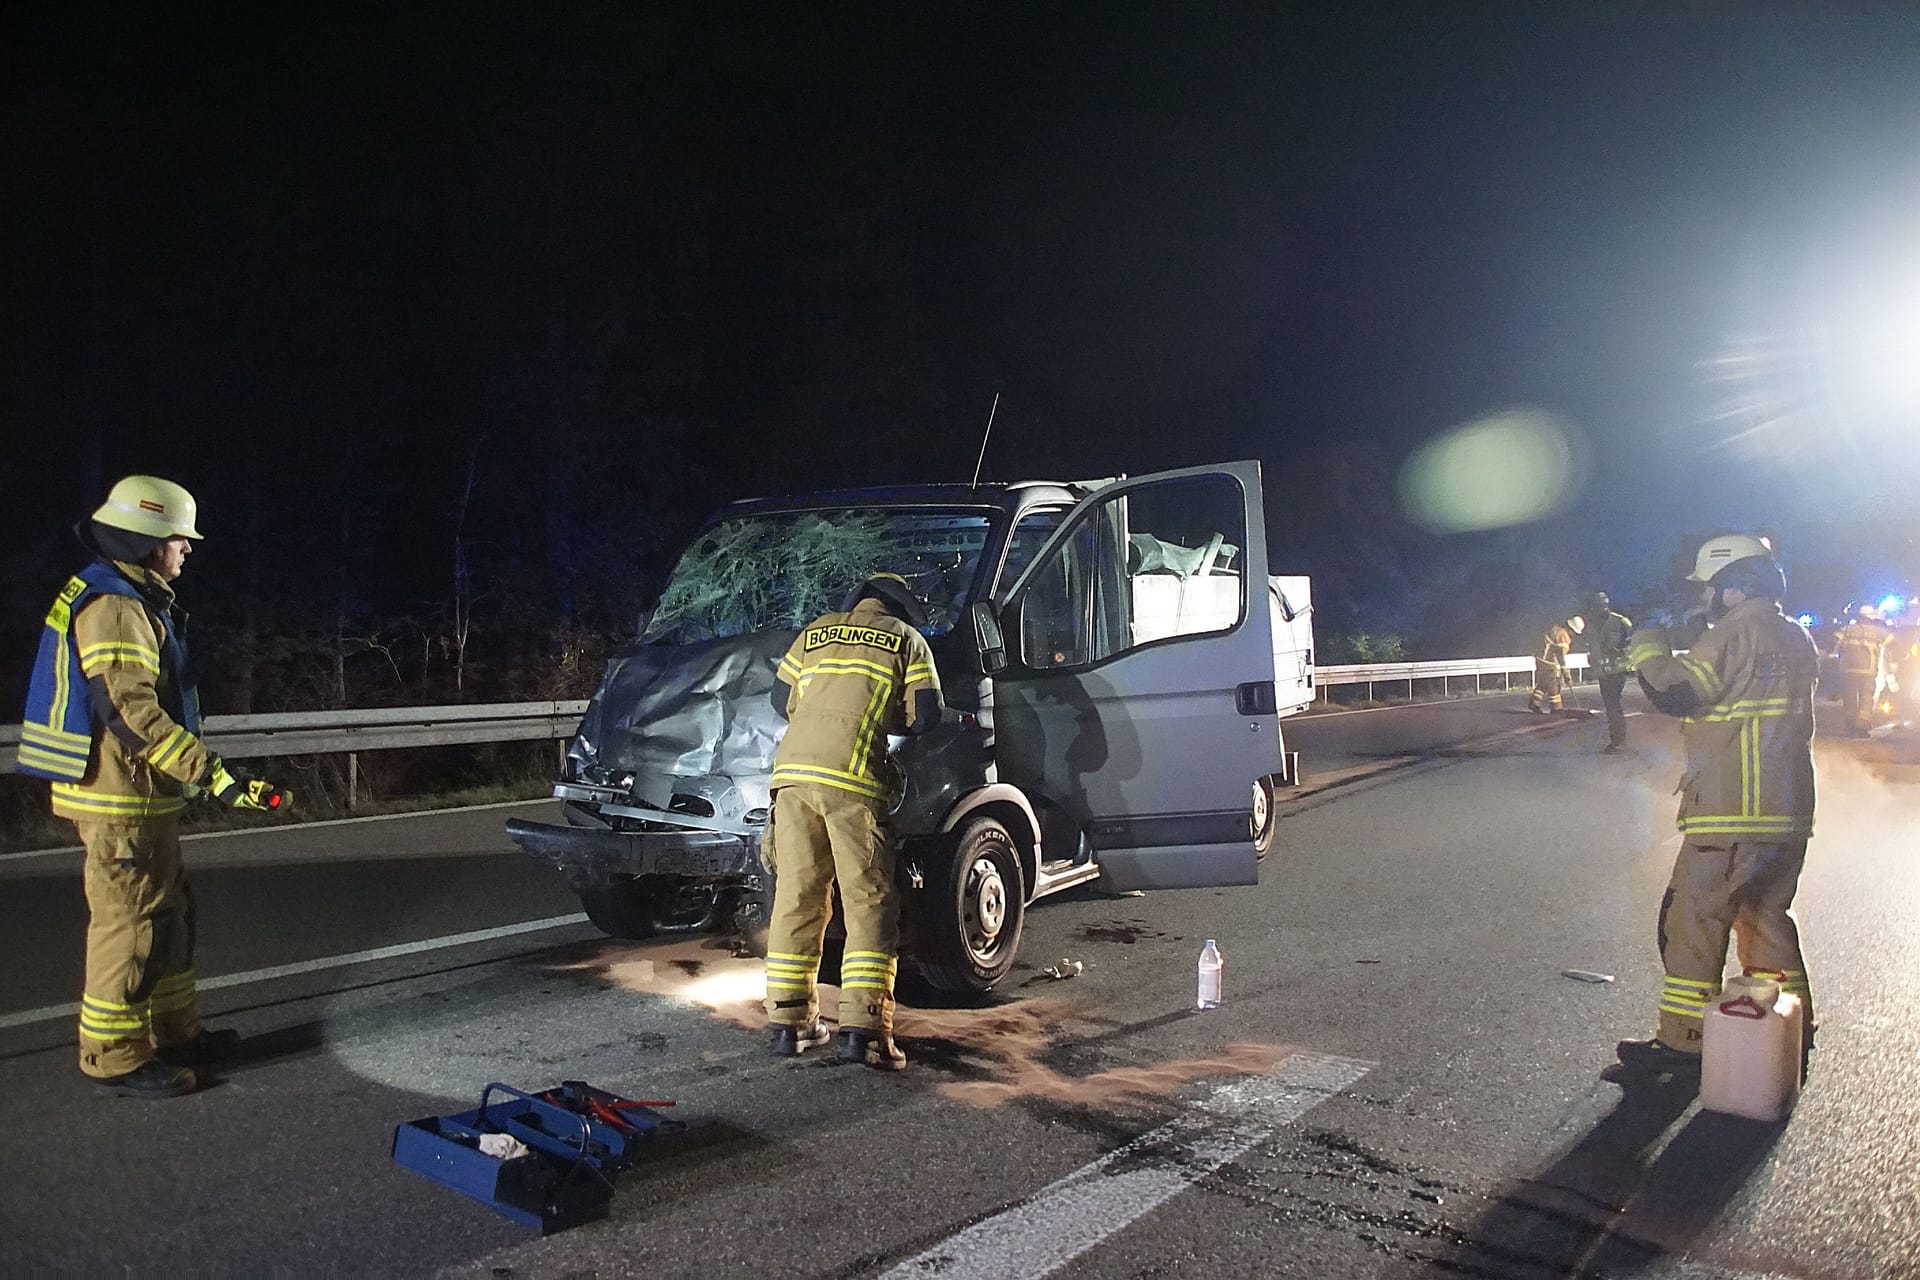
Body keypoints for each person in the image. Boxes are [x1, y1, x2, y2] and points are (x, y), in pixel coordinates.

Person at [18, 476, 291, 1098]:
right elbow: (129, 708)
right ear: (146, 541)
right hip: (119, 794)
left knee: (168, 918)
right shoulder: (114, 604)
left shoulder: (132, 596)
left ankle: (175, 1031)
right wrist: (214, 776)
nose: (187, 549)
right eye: (177, 538)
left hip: (139, 791)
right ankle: (113, 1058)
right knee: (132, 922)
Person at [1616, 533, 1818, 1075]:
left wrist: (1649, 650)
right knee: (1766, 918)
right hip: (1787, 812)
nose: (1704, 597)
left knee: (1694, 920)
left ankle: (1684, 1042)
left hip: (1733, 813)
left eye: (1709, 587)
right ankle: (1792, 1029)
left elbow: (1680, 693)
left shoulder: (1734, 632)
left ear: (1732, 590)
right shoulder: (1794, 634)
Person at [762, 572, 943, 1070]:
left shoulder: (814, 632)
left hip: (792, 778)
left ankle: (789, 1022)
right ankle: (864, 1033)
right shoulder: (907, 640)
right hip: (853, 779)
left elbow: (782, 702)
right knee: (868, 903)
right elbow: (927, 716)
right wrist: (884, 718)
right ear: (896, 608)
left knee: (797, 896)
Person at [1832, 604, 1891, 737]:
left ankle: (1850, 726)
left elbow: (1833, 641)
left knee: (1850, 697)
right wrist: (1904, 657)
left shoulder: (1846, 630)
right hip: (1868, 671)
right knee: (1866, 698)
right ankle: (1862, 727)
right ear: (1871, 618)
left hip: (1849, 669)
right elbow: (1894, 645)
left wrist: (1831, 657)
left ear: (1858, 617)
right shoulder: (1879, 631)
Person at [1586, 592, 1634, 752]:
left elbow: (1631, 645)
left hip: (1616, 669)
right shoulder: (1592, 625)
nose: (1598, 609)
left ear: (1606, 604)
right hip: (1602, 671)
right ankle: (1617, 739)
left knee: (1613, 704)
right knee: (1610, 705)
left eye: (1600, 605)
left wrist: (1628, 661)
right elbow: (1593, 648)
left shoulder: (1621, 622)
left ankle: (1618, 741)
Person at [1526, 614, 1584, 713]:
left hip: (1541, 659)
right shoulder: (1563, 636)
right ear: (1571, 629)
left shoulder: (1556, 630)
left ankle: (1534, 703)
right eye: (1574, 632)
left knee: (1544, 682)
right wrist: (1566, 673)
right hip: (1548, 662)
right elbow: (1561, 657)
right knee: (1554, 684)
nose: (1573, 635)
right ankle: (1556, 707)